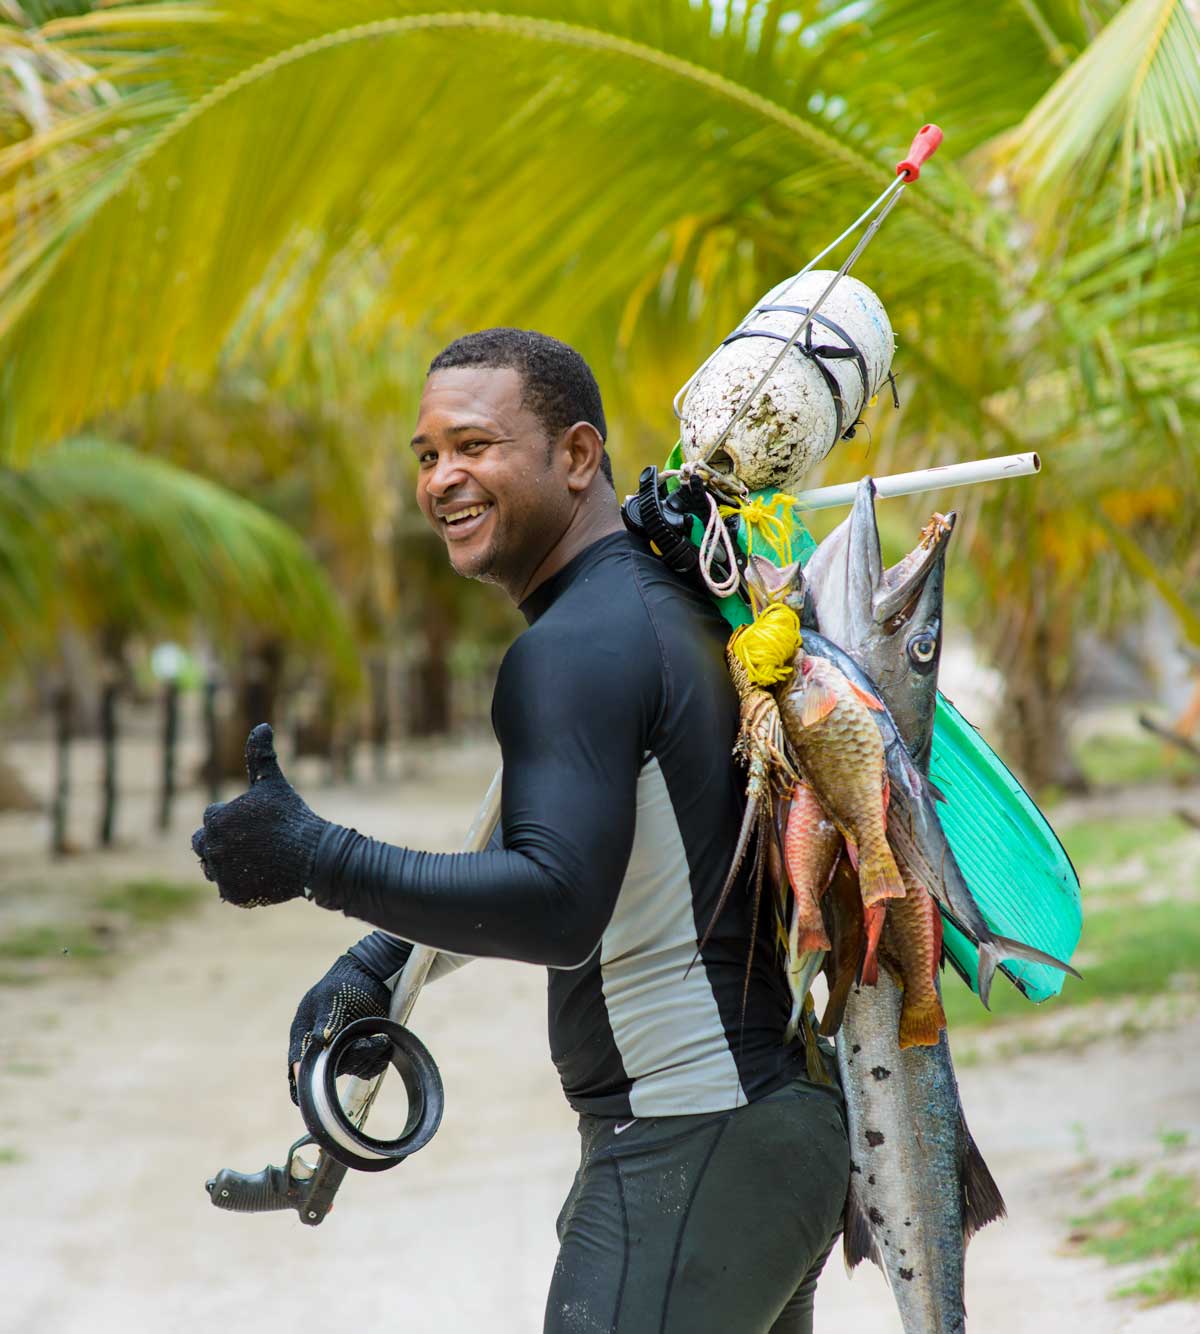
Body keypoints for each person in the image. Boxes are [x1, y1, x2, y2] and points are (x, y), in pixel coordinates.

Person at [192, 328, 849, 1333]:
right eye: (427, 454)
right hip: (762, 1133)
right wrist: (378, 955)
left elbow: (555, 905)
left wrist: (314, 855)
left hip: (691, 1140)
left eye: (475, 444)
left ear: (578, 455)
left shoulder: (578, 646)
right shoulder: (660, 598)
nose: (444, 477)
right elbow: (611, 854)